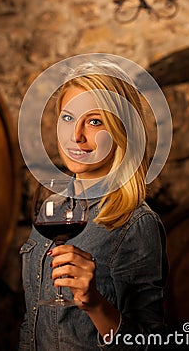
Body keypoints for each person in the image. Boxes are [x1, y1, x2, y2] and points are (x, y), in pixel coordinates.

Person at [19, 59, 169, 350]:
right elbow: (32, 321)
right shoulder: (51, 211)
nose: (76, 136)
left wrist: (96, 305)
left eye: (95, 121)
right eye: (68, 118)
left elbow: (152, 343)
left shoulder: (137, 224)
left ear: (121, 131)